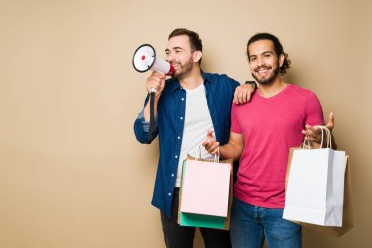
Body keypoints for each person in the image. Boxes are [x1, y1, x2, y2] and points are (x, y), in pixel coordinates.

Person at [203, 33, 335, 248]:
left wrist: (323, 139)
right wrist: (218, 150)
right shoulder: (240, 101)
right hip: (242, 205)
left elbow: (320, 154)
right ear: (249, 64)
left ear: (280, 59)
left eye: (266, 55)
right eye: (253, 58)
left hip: (286, 207)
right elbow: (237, 147)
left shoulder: (306, 99)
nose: (260, 63)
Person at [133, 28, 255, 248]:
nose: (170, 58)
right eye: (168, 52)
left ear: (196, 55)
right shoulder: (164, 91)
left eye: (178, 51)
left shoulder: (222, 86)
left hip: (214, 187)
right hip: (174, 190)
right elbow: (144, 134)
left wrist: (250, 84)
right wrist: (154, 97)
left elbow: (254, 98)